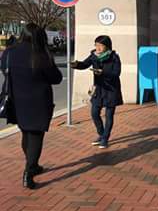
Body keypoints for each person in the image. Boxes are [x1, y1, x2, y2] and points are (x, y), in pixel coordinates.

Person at [0, 23, 63, 189]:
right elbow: (56, 78)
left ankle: (32, 165)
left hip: (16, 100)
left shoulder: (9, 52)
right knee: (36, 135)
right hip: (39, 102)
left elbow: (4, 70)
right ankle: (29, 172)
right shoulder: (41, 54)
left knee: (26, 133)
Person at [71, 35, 123, 149]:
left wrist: (102, 72)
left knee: (109, 115)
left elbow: (116, 73)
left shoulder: (114, 57)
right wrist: (76, 65)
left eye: (101, 45)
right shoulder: (93, 56)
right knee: (94, 113)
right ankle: (101, 134)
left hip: (111, 89)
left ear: (107, 46)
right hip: (98, 89)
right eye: (96, 45)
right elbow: (84, 64)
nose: (98, 48)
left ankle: (105, 138)